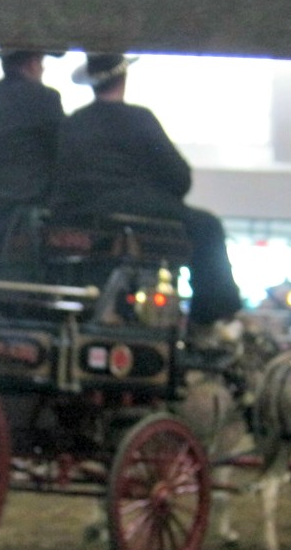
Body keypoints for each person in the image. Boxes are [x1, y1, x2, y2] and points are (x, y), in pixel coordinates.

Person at [52, 53, 243, 337]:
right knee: (207, 225)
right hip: (142, 217)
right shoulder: (139, 119)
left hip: (86, 220)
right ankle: (210, 316)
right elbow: (180, 178)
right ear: (124, 78)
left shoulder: (73, 123)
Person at [0, 48, 66, 277]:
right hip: (27, 236)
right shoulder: (43, 99)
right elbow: (65, 158)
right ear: (32, 63)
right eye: (41, 60)